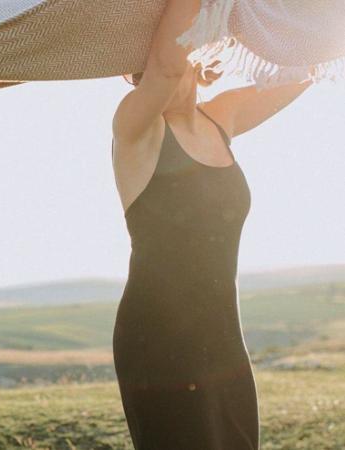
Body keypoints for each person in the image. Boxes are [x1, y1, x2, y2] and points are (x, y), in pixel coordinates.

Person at [110, 2, 313, 449]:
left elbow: (303, 69)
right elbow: (165, 67)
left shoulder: (221, 118)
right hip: (158, 338)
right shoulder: (136, 126)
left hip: (222, 338)